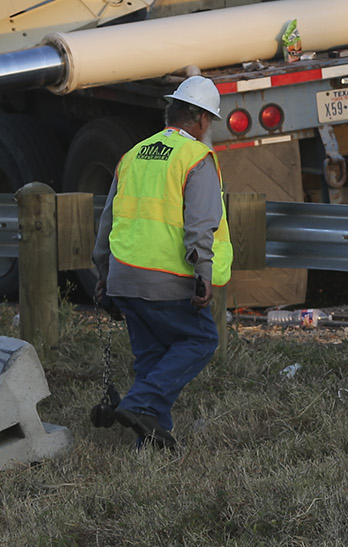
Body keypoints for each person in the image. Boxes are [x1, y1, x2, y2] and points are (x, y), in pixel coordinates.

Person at [91, 75, 233, 450]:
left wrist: (104, 274)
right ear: (201, 119)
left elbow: (108, 220)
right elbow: (200, 225)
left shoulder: (133, 155)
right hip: (168, 281)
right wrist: (203, 275)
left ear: (172, 111)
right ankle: (136, 404)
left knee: (153, 359)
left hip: (125, 278)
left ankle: (150, 446)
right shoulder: (196, 159)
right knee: (201, 340)